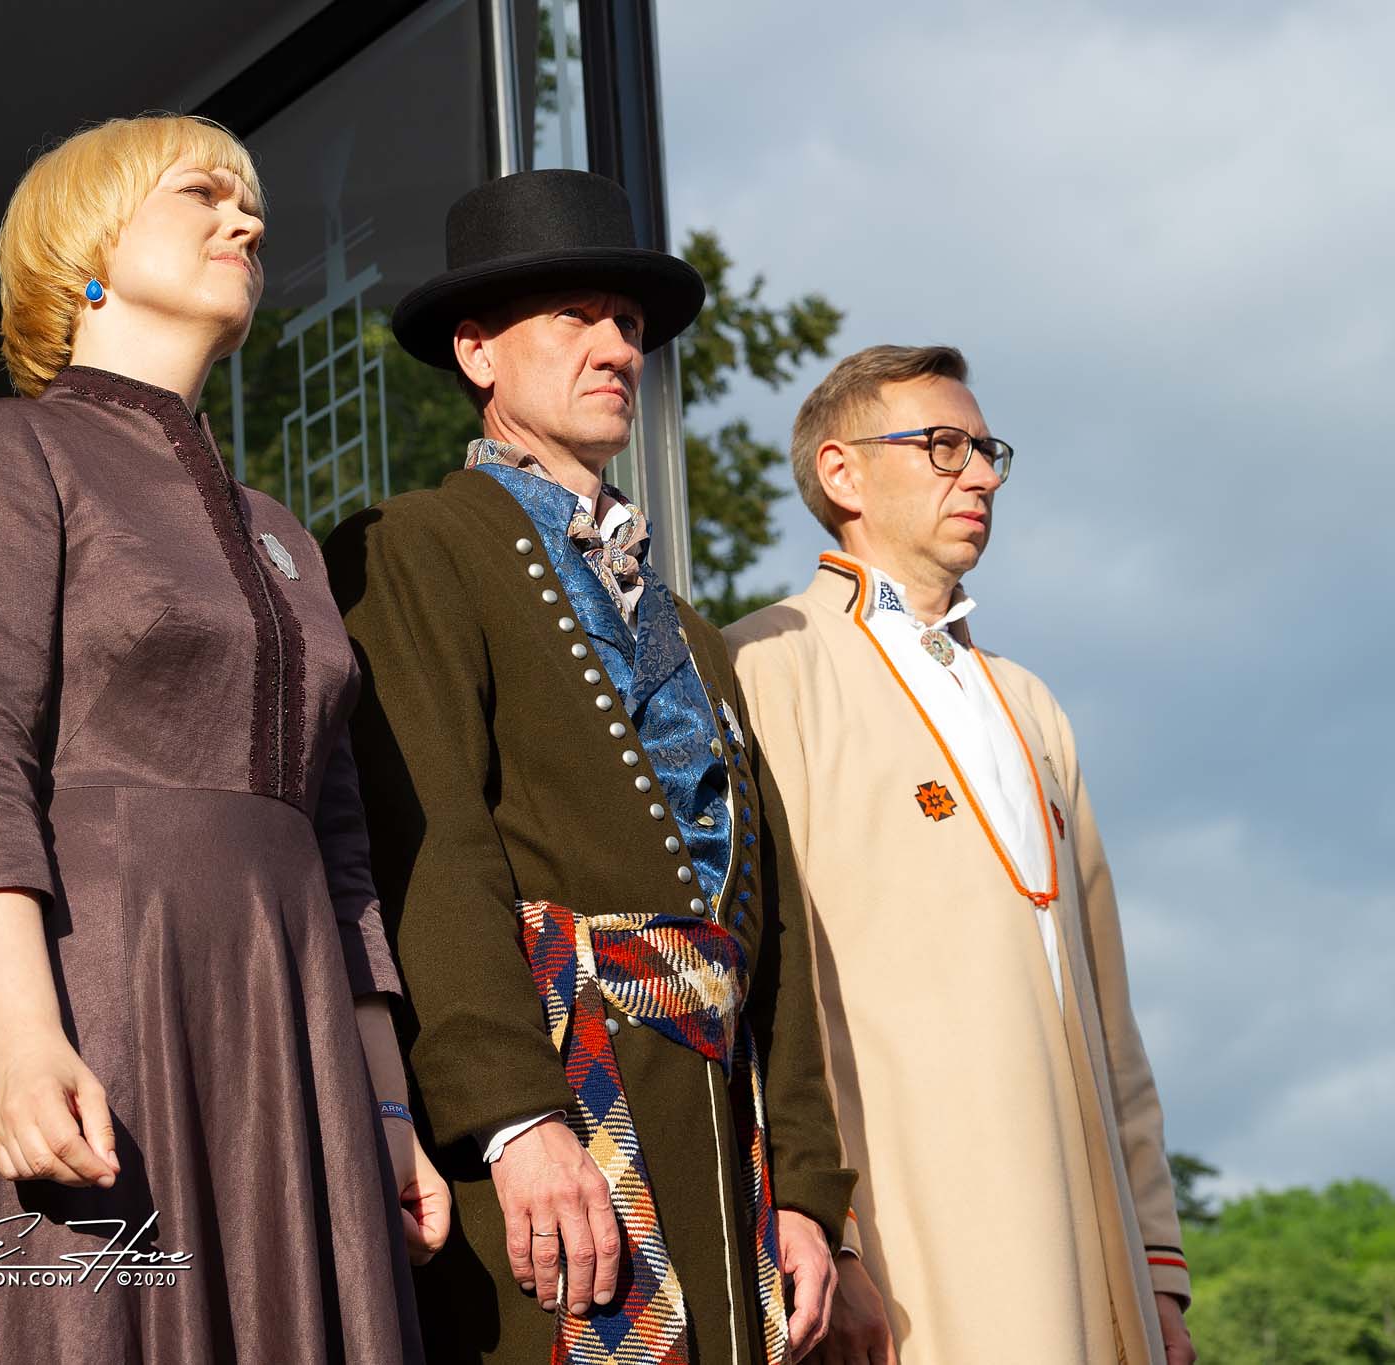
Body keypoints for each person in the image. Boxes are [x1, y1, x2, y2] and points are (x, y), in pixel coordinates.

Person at [0, 114, 445, 1361]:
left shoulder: (281, 532)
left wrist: (387, 1111)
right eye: (202, 194)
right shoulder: (7, 449)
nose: (246, 219)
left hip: (285, 1036)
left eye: (250, 202)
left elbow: (340, 853)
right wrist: (23, 1041)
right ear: (88, 242)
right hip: (91, 1002)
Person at [323, 169, 853, 1365]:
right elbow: (427, 851)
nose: (616, 347)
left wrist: (809, 1192)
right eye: (573, 316)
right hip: (560, 1117)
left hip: (724, 1151)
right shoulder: (411, 549)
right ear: (476, 352)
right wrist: (514, 1118)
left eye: (626, 322)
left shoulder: (693, 633)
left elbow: (772, 931)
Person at [725, 345, 1198, 1365]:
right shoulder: (764, 665)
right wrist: (826, 1231)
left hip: (1097, 1249)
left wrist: (1157, 1263)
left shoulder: (1031, 705)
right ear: (842, 473)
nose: (980, 474)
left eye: (986, 451)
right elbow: (761, 985)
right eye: (943, 446)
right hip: (905, 1243)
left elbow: (1110, 1014)